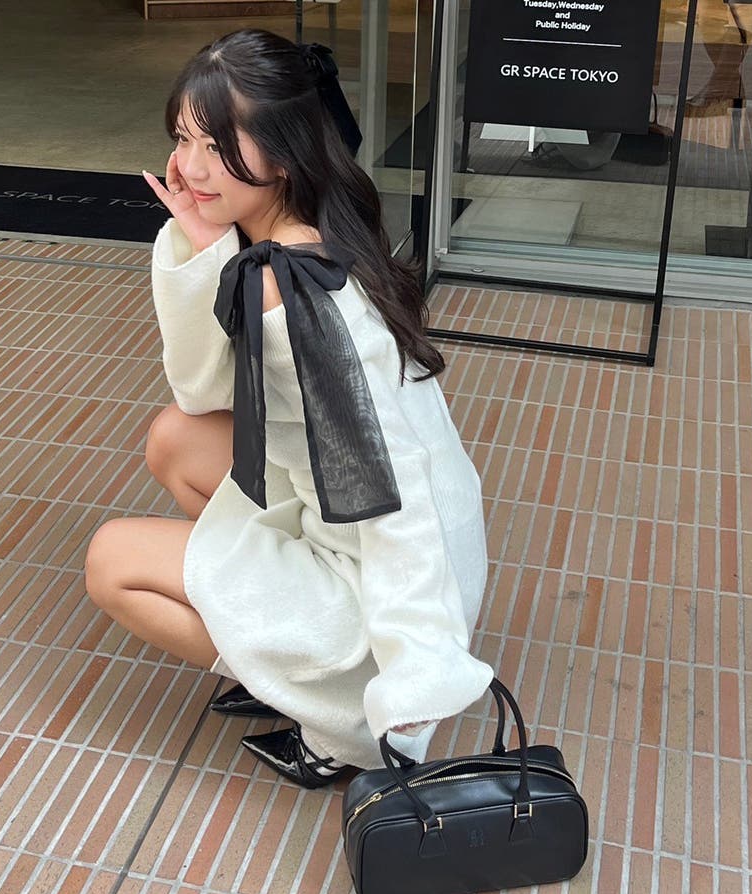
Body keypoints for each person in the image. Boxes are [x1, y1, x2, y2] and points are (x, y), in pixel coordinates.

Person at [84, 29, 494, 788]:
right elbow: (200, 392)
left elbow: (393, 482)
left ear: (281, 153)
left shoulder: (296, 289)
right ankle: (277, 651)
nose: (190, 168)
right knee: (176, 437)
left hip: (385, 580)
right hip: (340, 525)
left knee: (111, 562)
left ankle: (337, 726)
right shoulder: (294, 237)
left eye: (217, 146)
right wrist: (201, 242)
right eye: (183, 139)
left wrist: (416, 667)